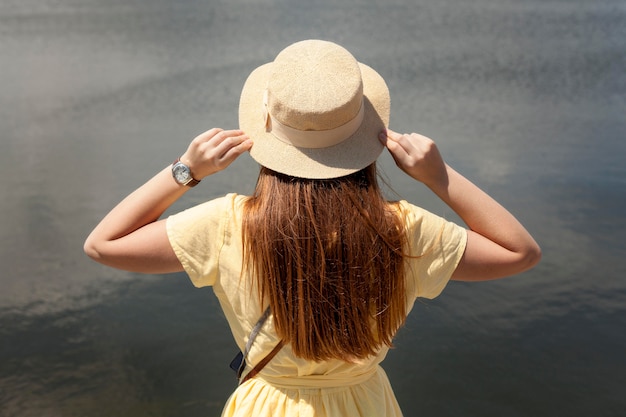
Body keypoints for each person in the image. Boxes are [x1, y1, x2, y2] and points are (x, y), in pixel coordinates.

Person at [84, 40, 541, 416]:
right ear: (366, 136)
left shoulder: (227, 225)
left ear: (267, 130)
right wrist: (439, 178)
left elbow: (104, 244)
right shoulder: (404, 231)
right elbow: (520, 252)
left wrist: (187, 170)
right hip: (366, 405)